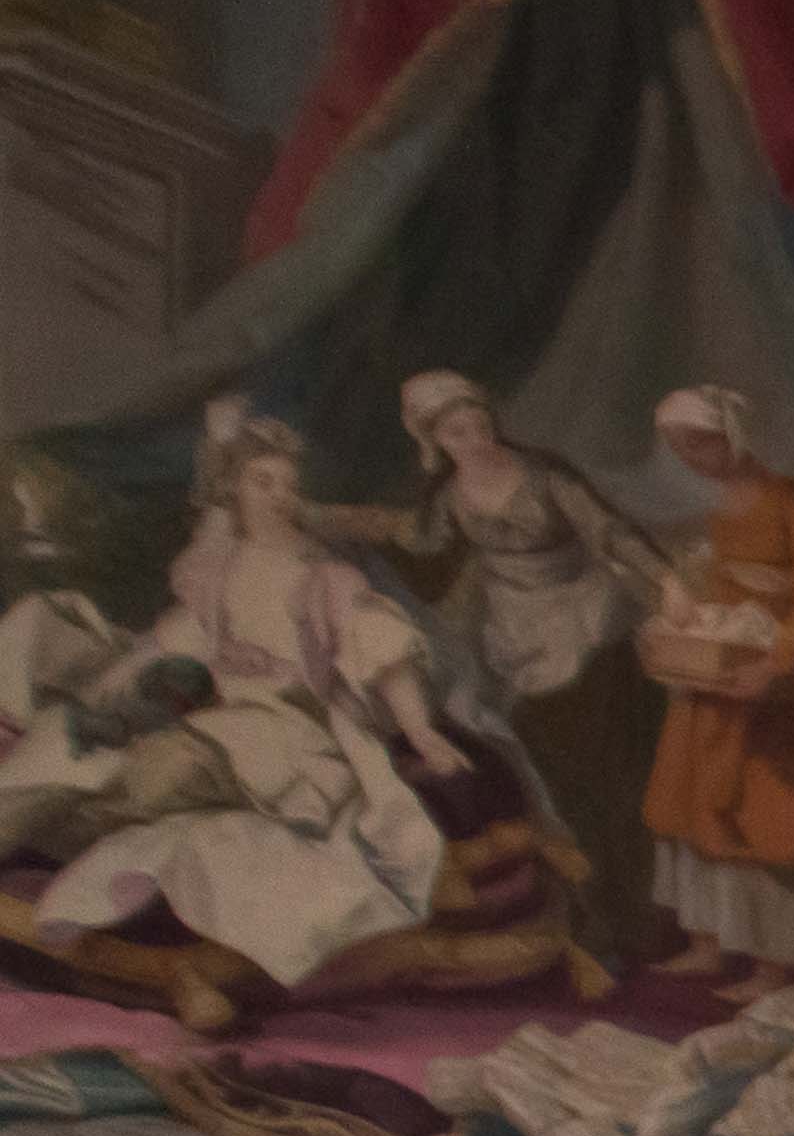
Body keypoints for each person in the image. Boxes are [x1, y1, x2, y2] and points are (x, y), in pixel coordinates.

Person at [0, 409, 472, 1005]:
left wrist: (421, 731)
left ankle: (91, 853)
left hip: (290, 733)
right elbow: (174, 638)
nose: (280, 496)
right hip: (216, 716)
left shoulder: (325, 577)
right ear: (236, 491)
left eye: (288, 484)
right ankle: (62, 841)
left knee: (163, 771)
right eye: (263, 482)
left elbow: (382, 649)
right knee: (88, 746)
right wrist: (104, 691)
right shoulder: (222, 568)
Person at [391, 371, 672, 968]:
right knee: (561, 787)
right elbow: (421, 552)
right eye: (458, 430)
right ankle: (599, 919)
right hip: (516, 646)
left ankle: (640, 919)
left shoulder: (545, 477)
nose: (476, 436)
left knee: (618, 781)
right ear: (436, 439)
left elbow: (612, 534)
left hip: (591, 632)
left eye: (481, 421)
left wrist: (670, 583)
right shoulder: (447, 499)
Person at [631, 385, 794, 989]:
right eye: (679, 447)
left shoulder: (791, 500)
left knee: (767, 813)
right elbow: (715, 585)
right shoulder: (713, 506)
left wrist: (777, 662)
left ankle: (772, 963)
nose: (690, 457)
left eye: (699, 442)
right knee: (696, 801)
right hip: (722, 664)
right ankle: (708, 943)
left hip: (785, 671)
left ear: (730, 436)